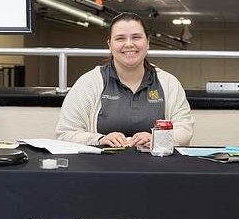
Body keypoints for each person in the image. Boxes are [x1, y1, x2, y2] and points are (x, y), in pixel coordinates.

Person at [55, 12, 193, 148]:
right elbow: (65, 134)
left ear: (147, 43)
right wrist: (100, 139)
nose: (129, 44)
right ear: (110, 44)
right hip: (102, 167)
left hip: (156, 167)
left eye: (136, 37)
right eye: (120, 38)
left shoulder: (169, 83)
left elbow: (184, 131)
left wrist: (158, 138)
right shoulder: (89, 83)